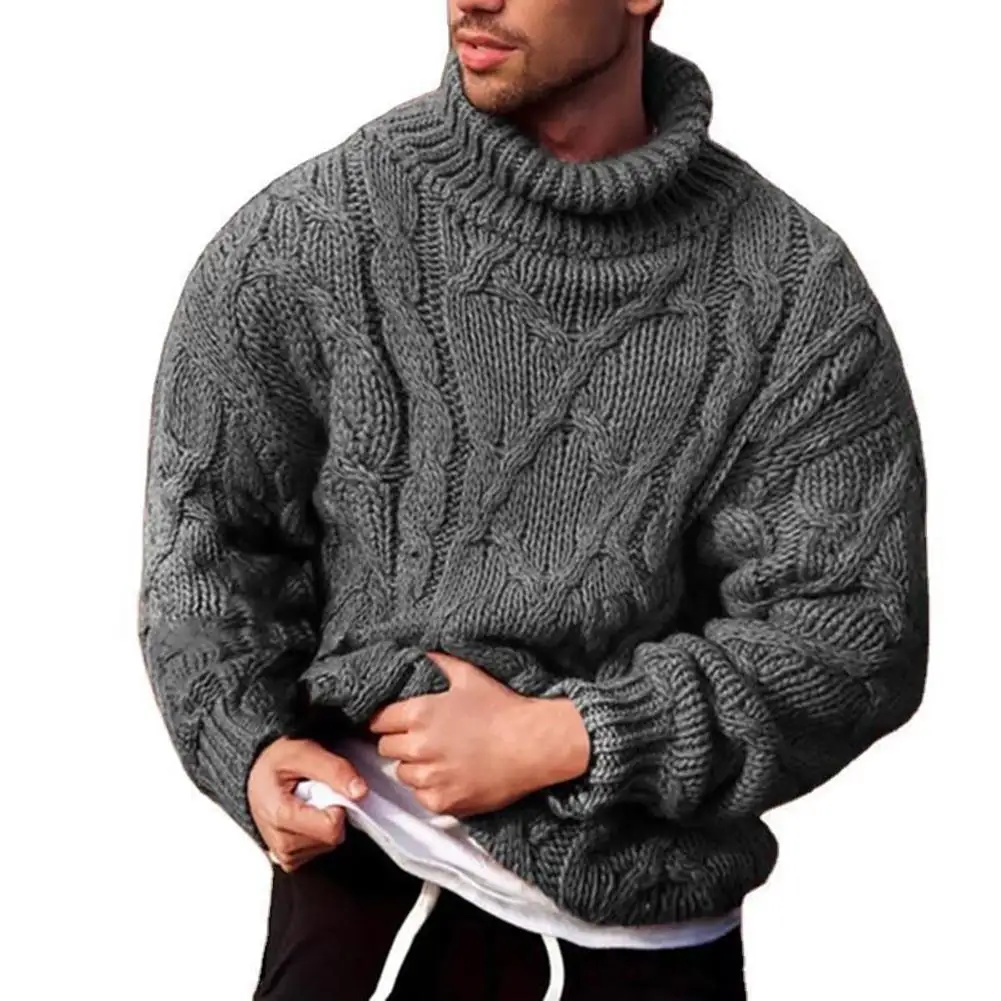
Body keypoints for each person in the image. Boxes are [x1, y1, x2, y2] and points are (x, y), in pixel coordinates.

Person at [136, 1, 929, 998]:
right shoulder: (306, 237)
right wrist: (246, 751)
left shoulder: (792, 291)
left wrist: (569, 736)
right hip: (364, 909)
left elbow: (854, 634)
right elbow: (208, 548)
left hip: (650, 949)